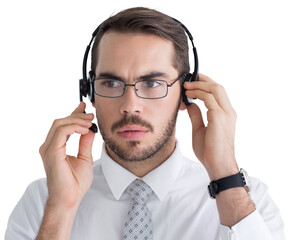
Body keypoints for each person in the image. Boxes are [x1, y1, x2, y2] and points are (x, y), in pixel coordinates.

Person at [5, 7, 285, 240]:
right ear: (89, 92)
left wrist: (226, 176)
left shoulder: (250, 201)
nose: (130, 105)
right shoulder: (43, 201)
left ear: (186, 92)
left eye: (152, 83)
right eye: (111, 83)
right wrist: (61, 209)